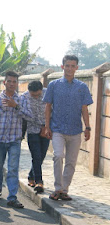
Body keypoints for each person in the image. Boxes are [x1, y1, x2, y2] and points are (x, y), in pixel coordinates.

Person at [43, 55, 93, 201]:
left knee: (71, 162)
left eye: (73, 66)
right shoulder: (54, 85)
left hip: (75, 130)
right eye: (67, 65)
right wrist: (47, 126)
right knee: (58, 156)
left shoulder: (82, 87)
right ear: (62, 66)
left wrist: (88, 127)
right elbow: (48, 107)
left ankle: (64, 190)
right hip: (57, 128)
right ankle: (57, 188)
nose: (70, 68)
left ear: (77, 68)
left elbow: (84, 109)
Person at [0, 71, 32, 209]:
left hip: (14, 140)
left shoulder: (22, 99)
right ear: (4, 82)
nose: (12, 84)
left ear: (17, 83)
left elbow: (30, 117)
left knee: (13, 168)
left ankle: (12, 197)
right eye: (9, 81)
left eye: (14, 82)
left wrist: (15, 106)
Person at [22, 81, 50, 194]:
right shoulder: (24, 97)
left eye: (38, 94)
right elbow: (23, 114)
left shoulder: (48, 93)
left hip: (45, 130)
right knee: (36, 155)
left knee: (42, 155)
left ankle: (31, 176)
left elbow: (52, 110)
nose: (36, 97)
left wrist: (48, 125)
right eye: (33, 95)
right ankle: (39, 181)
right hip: (32, 130)